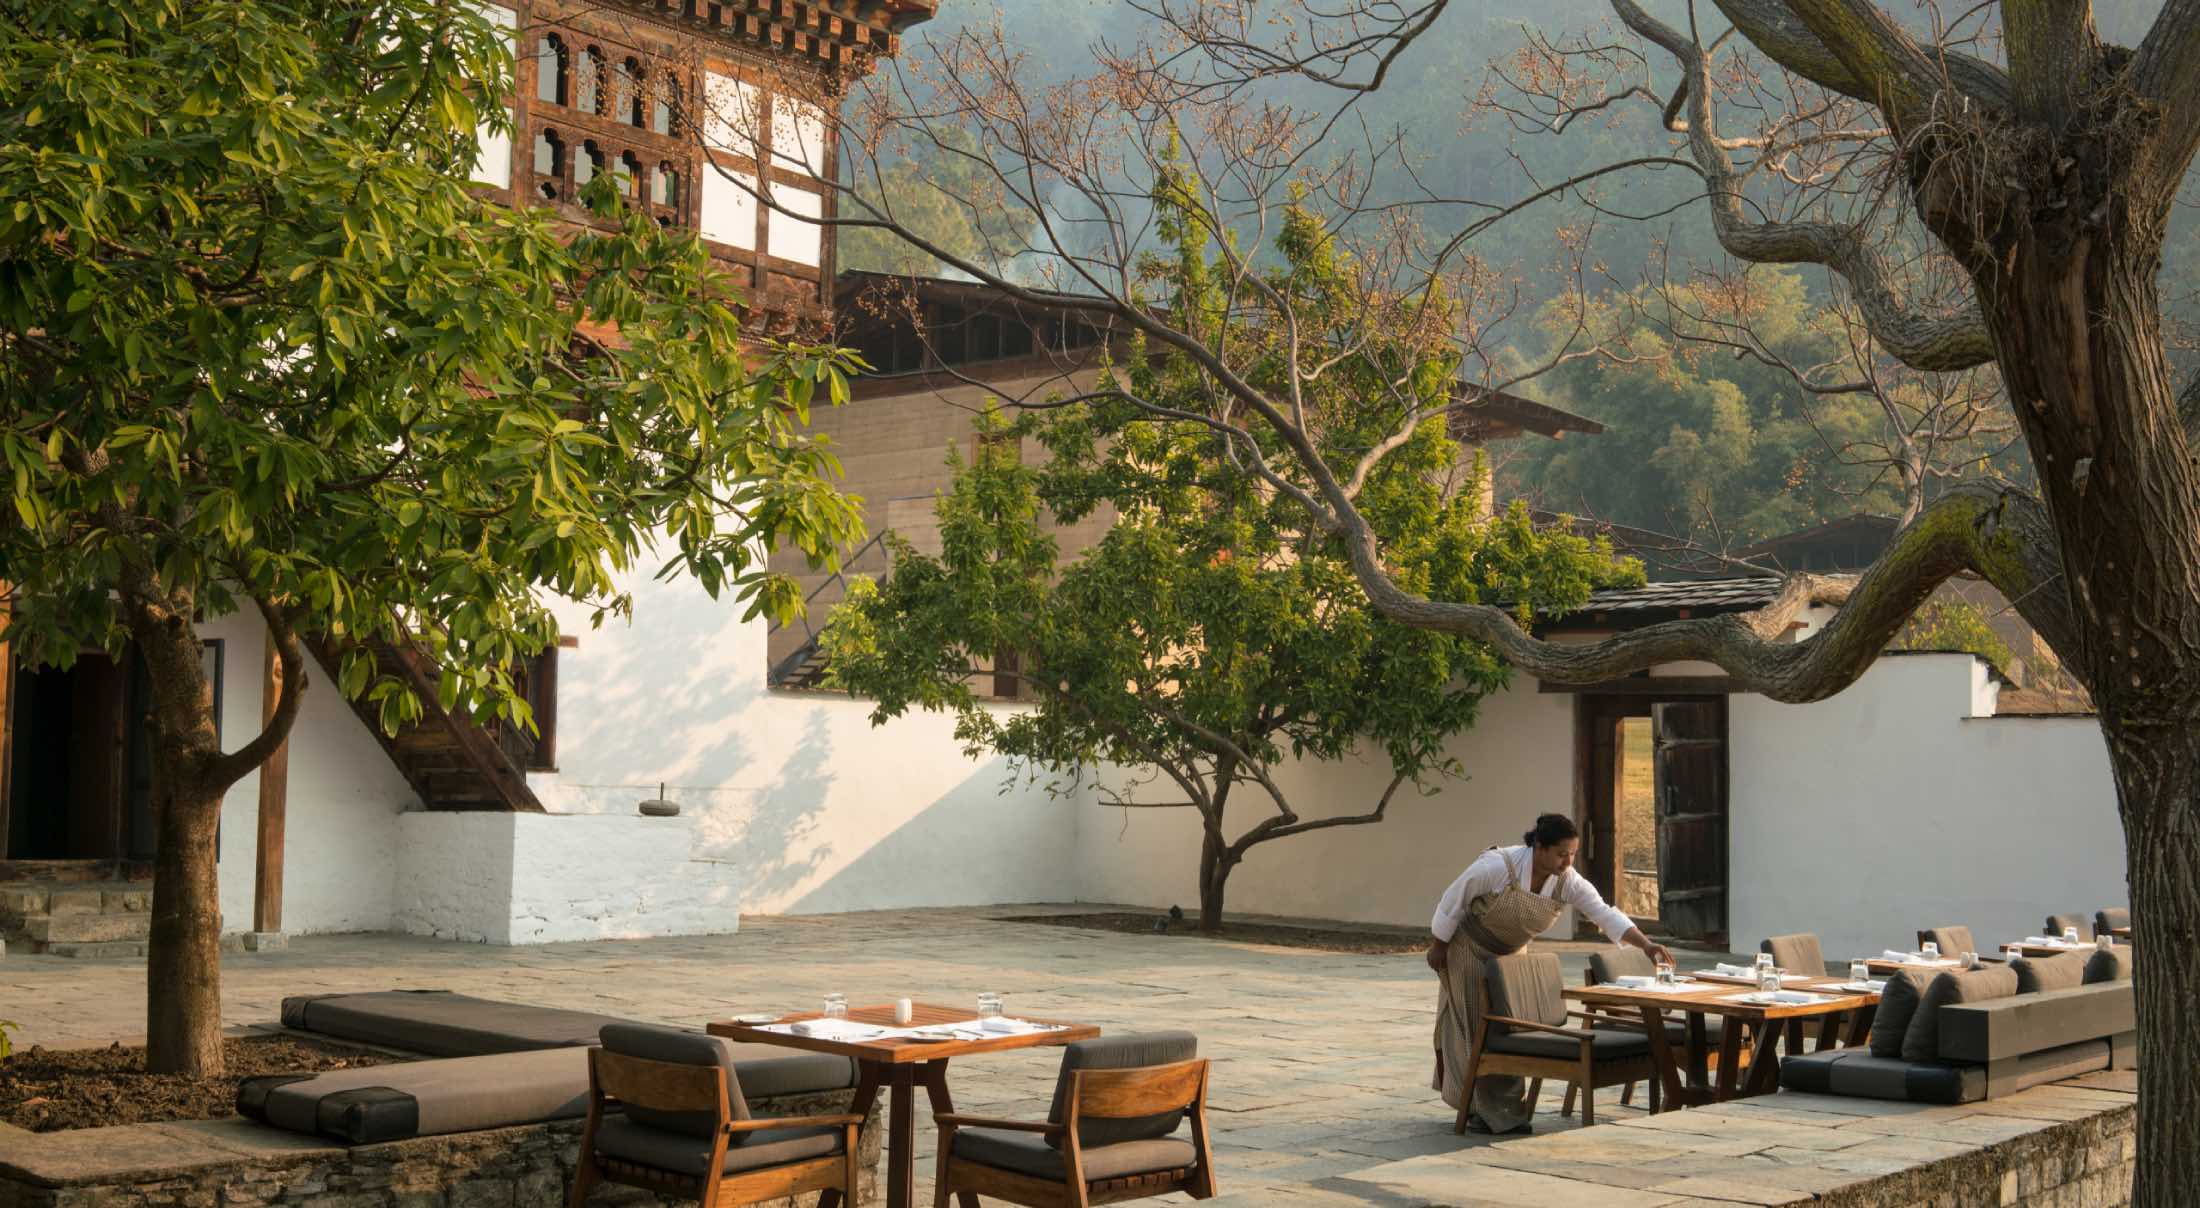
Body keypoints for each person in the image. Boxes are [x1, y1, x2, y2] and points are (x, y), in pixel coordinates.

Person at [1427, 813, 1672, 1135]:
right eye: (1561, 853)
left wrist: (1647, 945)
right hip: (1469, 950)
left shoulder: (1567, 879)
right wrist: (1439, 946)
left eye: (1572, 854)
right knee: (1475, 1027)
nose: (1567, 861)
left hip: (1513, 955)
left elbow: (1602, 912)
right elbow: (1452, 900)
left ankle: (1502, 1109)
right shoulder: (1497, 867)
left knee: (1512, 1027)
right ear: (1539, 847)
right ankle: (1480, 1111)